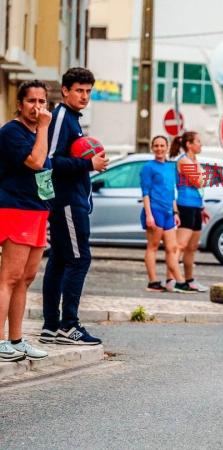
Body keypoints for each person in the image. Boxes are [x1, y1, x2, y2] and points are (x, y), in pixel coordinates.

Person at [41, 67, 108, 346]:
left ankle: (51, 326)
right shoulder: (61, 118)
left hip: (73, 200)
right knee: (80, 259)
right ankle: (69, 325)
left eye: (88, 91)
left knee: (59, 259)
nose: (84, 96)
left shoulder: (72, 120)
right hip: (67, 202)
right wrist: (88, 164)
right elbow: (49, 160)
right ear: (66, 90)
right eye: (79, 90)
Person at [0, 80, 52, 362]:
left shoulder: (39, 133)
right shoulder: (12, 132)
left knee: (26, 279)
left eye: (42, 101)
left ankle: (16, 339)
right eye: (31, 101)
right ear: (20, 104)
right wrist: (44, 128)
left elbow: (46, 176)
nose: (37, 107)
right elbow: (36, 162)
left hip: (37, 210)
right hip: (15, 208)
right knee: (8, 277)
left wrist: (49, 210)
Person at [140, 135, 190, 293]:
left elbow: (171, 192)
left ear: (167, 147)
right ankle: (153, 282)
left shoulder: (170, 167)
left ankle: (177, 281)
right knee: (153, 247)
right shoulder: (148, 167)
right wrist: (149, 215)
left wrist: (175, 212)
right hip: (154, 211)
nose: (159, 148)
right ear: (152, 148)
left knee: (172, 248)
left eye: (162, 145)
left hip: (169, 213)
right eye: (156, 146)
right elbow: (145, 193)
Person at [168, 131, 210, 293]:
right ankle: (173, 279)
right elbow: (199, 182)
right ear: (188, 144)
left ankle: (189, 280)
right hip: (185, 205)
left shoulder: (194, 160)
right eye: (198, 141)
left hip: (196, 206)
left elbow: (200, 183)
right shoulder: (184, 160)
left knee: (192, 247)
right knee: (181, 245)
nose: (201, 144)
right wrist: (207, 176)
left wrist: (202, 207)